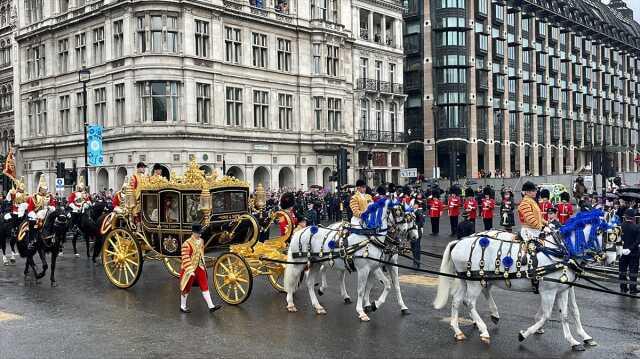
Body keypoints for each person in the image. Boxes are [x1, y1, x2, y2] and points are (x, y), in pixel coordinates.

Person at [179, 223, 222, 313]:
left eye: (200, 233)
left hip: (200, 266)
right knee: (186, 288)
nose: (200, 234)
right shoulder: (186, 244)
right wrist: (190, 270)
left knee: (205, 286)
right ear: (193, 232)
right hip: (189, 269)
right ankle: (183, 306)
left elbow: (201, 253)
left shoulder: (201, 241)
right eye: (198, 233)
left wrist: (203, 264)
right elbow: (185, 257)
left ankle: (211, 306)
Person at [620, 208, 640, 294]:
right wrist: (630, 249)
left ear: (625, 217)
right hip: (634, 252)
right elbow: (638, 241)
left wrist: (623, 249)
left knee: (622, 270)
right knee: (633, 271)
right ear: (633, 217)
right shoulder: (637, 227)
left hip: (622, 251)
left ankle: (623, 287)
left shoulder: (620, 226)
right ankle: (632, 288)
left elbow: (617, 239)